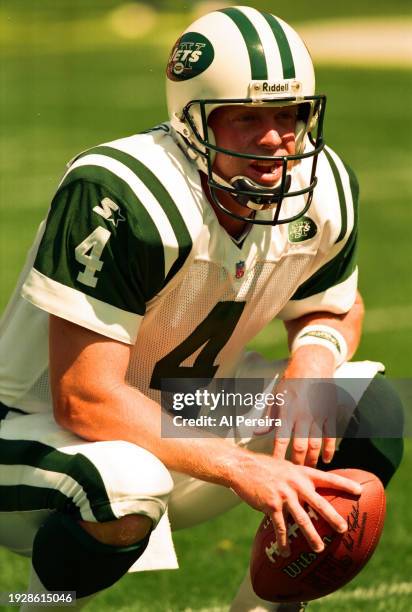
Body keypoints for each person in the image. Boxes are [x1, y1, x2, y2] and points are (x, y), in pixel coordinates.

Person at [0, 6, 403, 611]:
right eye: (245, 118)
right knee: (127, 483)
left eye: (288, 115)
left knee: (368, 409)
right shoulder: (123, 193)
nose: (276, 139)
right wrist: (240, 467)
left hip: (188, 404)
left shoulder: (323, 187)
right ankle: (38, 607)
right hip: (37, 428)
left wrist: (312, 363)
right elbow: (83, 396)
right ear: (190, 122)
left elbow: (335, 307)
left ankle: (262, 607)